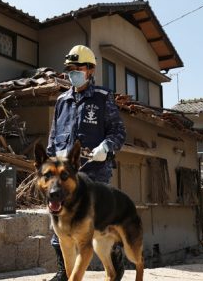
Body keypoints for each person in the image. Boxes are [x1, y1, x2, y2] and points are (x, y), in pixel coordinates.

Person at [46, 45, 126, 281]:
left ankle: (114, 263)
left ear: (90, 70)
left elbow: (119, 133)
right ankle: (64, 271)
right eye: (70, 68)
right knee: (59, 224)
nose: (73, 72)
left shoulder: (102, 98)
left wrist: (106, 148)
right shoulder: (62, 101)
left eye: (77, 67)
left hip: (95, 174)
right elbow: (53, 138)